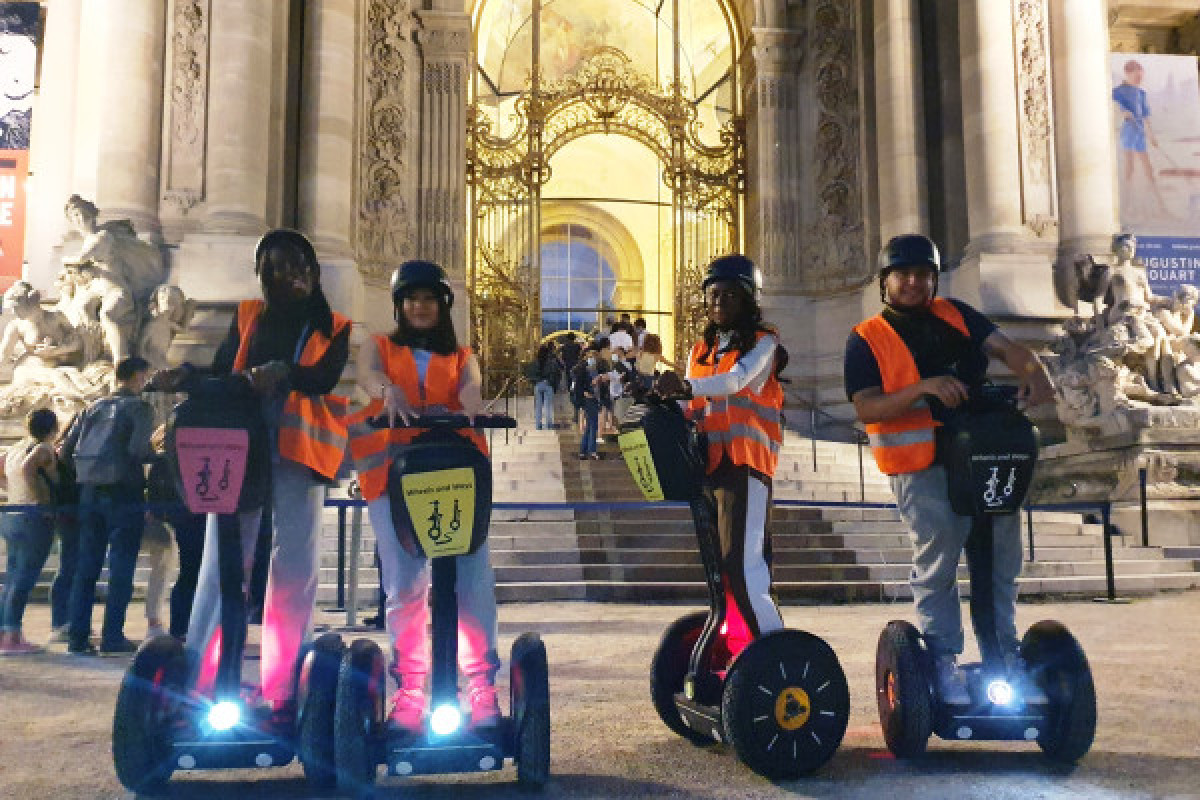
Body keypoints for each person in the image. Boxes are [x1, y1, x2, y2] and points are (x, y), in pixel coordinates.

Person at [843, 234, 1055, 704]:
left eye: (923, 274)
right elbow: (867, 406)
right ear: (885, 282)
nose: (913, 282)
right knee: (938, 563)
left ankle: (1005, 658)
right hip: (922, 464)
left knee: (1000, 560)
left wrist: (1034, 372)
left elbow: (1009, 349)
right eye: (903, 274)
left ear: (935, 279)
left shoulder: (957, 314)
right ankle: (943, 661)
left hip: (982, 454)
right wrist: (924, 388)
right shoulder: (866, 338)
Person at [153, 228, 351, 720]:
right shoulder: (247, 316)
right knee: (222, 557)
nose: (285, 275)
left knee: (294, 564)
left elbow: (324, 378)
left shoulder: (335, 326)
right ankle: (201, 677)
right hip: (237, 440)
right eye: (273, 267)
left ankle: (283, 685)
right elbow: (224, 372)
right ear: (260, 275)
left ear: (313, 272)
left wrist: (284, 372)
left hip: (300, 449)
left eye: (294, 265)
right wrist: (188, 375)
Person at [348, 259, 501, 736]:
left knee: (472, 580)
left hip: (454, 472)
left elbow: (471, 386)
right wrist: (388, 391)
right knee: (404, 584)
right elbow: (367, 376)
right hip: (391, 477)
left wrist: (472, 404)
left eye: (429, 299)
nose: (420, 306)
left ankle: (480, 684)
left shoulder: (462, 355)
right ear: (399, 305)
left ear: (442, 305)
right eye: (411, 299)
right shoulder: (378, 347)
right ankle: (411, 687)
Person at [654, 254, 788, 657]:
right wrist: (658, 396)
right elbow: (690, 403)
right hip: (709, 466)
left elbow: (736, 381)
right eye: (713, 295)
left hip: (746, 464)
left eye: (729, 295)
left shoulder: (765, 342)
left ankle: (774, 652)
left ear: (748, 299)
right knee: (719, 567)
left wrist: (685, 388)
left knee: (742, 564)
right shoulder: (701, 350)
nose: (719, 302)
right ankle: (736, 644)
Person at [61, 356, 155, 655]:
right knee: (121, 566)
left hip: (89, 492)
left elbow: (66, 452)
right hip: (123, 492)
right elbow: (137, 450)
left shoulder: (92, 407)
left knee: (86, 567)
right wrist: (157, 454)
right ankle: (112, 635)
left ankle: (78, 637)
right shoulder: (140, 408)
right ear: (138, 376)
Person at [0, 409, 60, 654]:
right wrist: (41, 501)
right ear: (52, 428)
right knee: (25, 578)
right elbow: (28, 468)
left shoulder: (15, 448)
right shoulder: (43, 448)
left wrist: (13, 490)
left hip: (11, 513)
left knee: (12, 577)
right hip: (32, 516)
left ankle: (4, 631)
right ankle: (12, 635)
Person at [1112, 60, 1170, 221]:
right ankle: (1125, 208)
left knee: (1148, 170)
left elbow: (1146, 116)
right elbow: (1114, 107)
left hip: (1140, 134)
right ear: (1127, 73)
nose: (1139, 79)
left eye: (1140, 77)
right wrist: (1123, 112)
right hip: (1128, 132)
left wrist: (1152, 136)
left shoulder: (1141, 93)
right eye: (1136, 76)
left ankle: (1161, 207)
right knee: (1129, 169)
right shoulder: (1117, 91)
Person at [571, 341, 606, 460]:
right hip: (589, 399)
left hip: (593, 399)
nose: (593, 360)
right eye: (591, 358)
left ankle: (584, 450)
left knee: (590, 426)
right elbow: (580, 386)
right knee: (593, 425)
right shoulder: (585, 370)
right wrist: (588, 389)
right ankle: (592, 450)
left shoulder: (593, 370)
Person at [532, 341, 564, 430]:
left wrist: (536, 382)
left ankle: (538, 425)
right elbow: (556, 373)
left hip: (538, 384)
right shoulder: (551, 362)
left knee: (538, 406)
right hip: (548, 384)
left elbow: (531, 374)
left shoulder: (535, 362)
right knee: (548, 406)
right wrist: (553, 384)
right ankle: (548, 424)